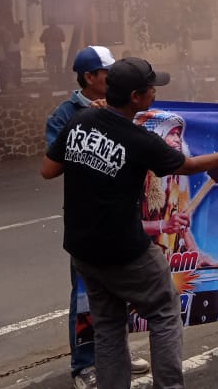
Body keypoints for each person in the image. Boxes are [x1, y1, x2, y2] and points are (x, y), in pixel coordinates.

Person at [41, 57, 218, 389]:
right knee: (163, 309)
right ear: (135, 97)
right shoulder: (138, 140)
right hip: (125, 251)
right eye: (151, 89)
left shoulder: (80, 121)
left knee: (110, 325)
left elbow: (48, 169)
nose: (155, 95)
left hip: (82, 249)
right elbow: (186, 165)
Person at [44, 45, 150, 386]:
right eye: (107, 73)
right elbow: (52, 164)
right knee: (86, 298)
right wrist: (88, 121)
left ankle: (115, 355)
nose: (112, 77)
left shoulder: (123, 106)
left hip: (123, 218)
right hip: (87, 222)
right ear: (89, 77)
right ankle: (84, 365)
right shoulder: (66, 113)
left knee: (119, 294)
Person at [135, 109, 218, 268]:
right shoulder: (136, 173)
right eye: (171, 134)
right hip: (139, 260)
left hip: (168, 261)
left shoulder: (176, 177)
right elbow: (122, 225)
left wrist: (195, 255)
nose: (177, 140)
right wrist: (163, 225)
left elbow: (179, 223)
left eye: (178, 135)